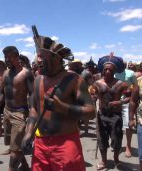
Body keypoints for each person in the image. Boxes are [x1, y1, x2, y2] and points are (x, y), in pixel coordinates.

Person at [21, 36, 95, 171]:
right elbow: (34, 109)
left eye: (41, 56)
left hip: (66, 144)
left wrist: (62, 107)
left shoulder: (75, 80)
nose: (37, 61)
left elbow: (91, 112)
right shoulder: (38, 80)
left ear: (55, 58)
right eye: (37, 56)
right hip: (40, 144)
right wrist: (29, 133)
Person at [0, 46, 34, 171]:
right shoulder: (5, 73)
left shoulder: (26, 73)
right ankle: (25, 166)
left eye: (9, 57)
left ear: (17, 57)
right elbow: (2, 93)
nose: (7, 59)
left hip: (20, 113)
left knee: (15, 148)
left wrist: (32, 112)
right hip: (7, 111)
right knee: (13, 144)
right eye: (5, 57)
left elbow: (32, 94)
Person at [94, 55, 128, 170]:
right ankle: (104, 161)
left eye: (110, 69)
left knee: (117, 139)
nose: (108, 71)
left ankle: (116, 159)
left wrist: (120, 101)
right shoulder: (97, 83)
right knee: (101, 139)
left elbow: (131, 96)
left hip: (116, 116)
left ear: (115, 71)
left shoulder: (121, 83)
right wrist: (94, 96)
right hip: (102, 115)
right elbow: (91, 94)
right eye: (106, 69)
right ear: (102, 70)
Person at [115, 60, 138, 158]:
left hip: (127, 102)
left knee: (128, 126)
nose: (121, 66)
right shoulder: (113, 73)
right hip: (115, 103)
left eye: (123, 64)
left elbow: (136, 87)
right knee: (116, 125)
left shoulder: (131, 73)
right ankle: (118, 144)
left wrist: (131, 91)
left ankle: (128, 146)